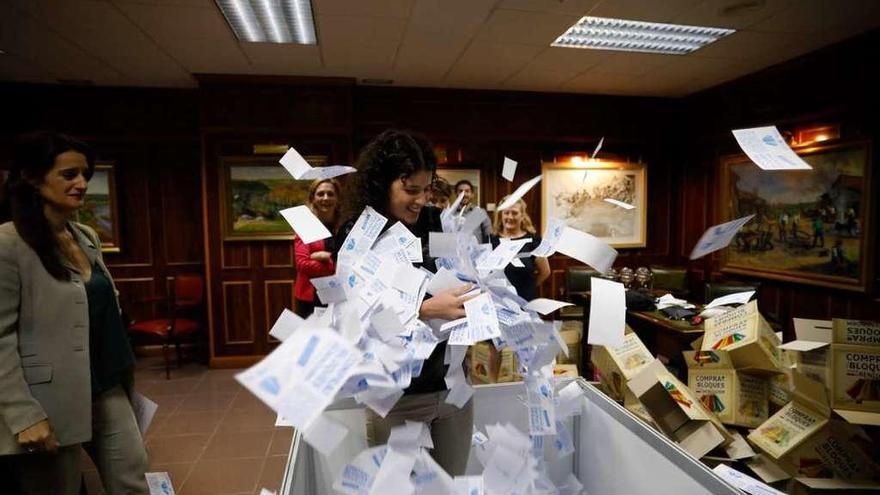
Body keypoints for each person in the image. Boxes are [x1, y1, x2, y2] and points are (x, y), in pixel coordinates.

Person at [0, 132, 149, 494]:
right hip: (46, 398)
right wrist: (24, 415)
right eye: (69, 175)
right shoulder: (8, 244)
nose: (82, 183)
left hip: (106, 384)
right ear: (33, 179)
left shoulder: (85, 236)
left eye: (85, 174)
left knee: (132, 479)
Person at [336, 129, 474, 476]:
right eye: (410, 190)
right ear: (383, 184)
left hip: (450, 386)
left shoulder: (434, 222)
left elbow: (459, 271)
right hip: (396, 396)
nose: (419, 201)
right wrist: (424, 310)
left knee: (450, 482)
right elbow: (354, 315)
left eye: (426, 189)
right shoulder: (359, 234)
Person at [489, 197, 550, 302]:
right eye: (506, 213)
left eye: (515, 213)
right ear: (501, 215)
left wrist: (529, 287)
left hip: (525, 301)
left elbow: (545, 271)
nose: (510, 217)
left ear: (522, 216)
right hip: (499, 302)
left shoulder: (533, 240)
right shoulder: (491, 240)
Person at [293, 178, 339, 318]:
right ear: (312, 198)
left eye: (330, 194)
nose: (326, 198)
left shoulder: (344, 225)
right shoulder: (305, 225)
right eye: (321, 194)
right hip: (311, 297)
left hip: (338, 294)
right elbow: (303, 264)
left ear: (337, 198)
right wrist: (334, 264)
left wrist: (321, 257)